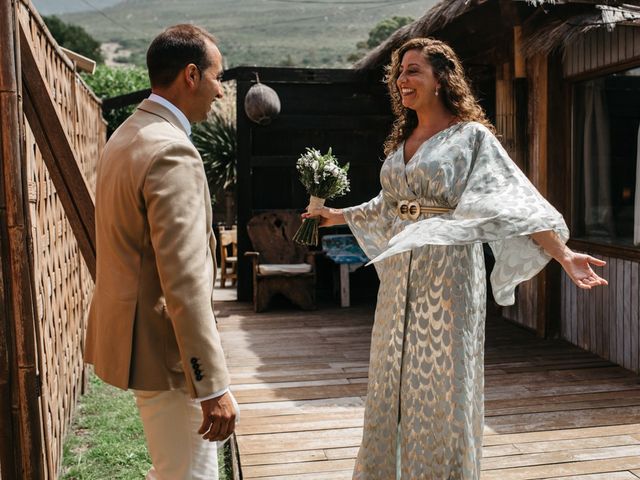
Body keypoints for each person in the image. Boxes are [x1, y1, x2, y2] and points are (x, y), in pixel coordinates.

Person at [305, 37, 607, 479]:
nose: (401, 80)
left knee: (443, 383)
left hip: (448, 276)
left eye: (412, 71)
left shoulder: (472, 137)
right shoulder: (403, 140)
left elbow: (514, 201)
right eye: (399, 72)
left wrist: (562, 254)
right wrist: (333, 216)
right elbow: (389, 207)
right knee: (392, 376)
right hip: (399, 278)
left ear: (441, 79)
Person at [85, 24, 236, 480]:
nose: (220, 92)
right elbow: (184, 282)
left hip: (137, 340)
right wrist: (212, 385)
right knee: (189, 475)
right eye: (217, 77)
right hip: (169, 353)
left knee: (171, 468)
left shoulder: (127, 134)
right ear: (191, 75)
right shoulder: (173, 151)